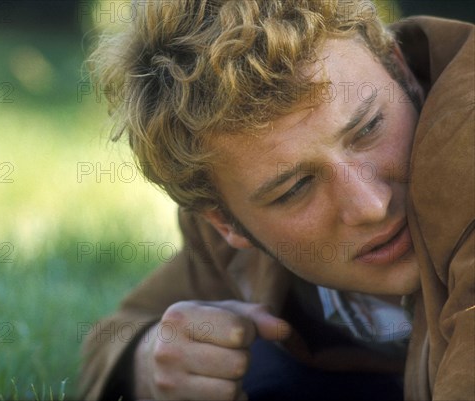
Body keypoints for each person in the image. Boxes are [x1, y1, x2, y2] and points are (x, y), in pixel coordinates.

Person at [78, 1, 474, 400]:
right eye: (295, 189)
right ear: (227, 225)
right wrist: (149, 360)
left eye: (369, 128)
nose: (370, 205)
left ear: (399, 67)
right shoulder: (226, 237)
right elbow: (118, 330)